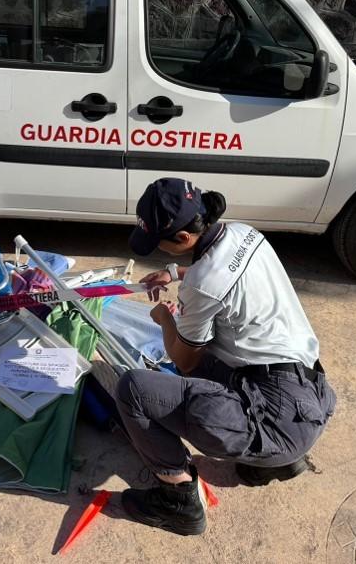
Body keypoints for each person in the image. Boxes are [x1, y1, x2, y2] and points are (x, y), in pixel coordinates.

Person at [117, 177, 336, 536]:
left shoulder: (203, 284)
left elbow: (184, 360)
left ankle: (178, 500)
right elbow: (219, 275)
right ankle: (277, 462)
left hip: (277, 417)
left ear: (184, 238)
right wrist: (175, 273)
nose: (158, 247)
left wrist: (164, 319)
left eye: (159, 241)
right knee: (212, 346)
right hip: (310, 394)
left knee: (133, 389)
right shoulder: (243, 233)